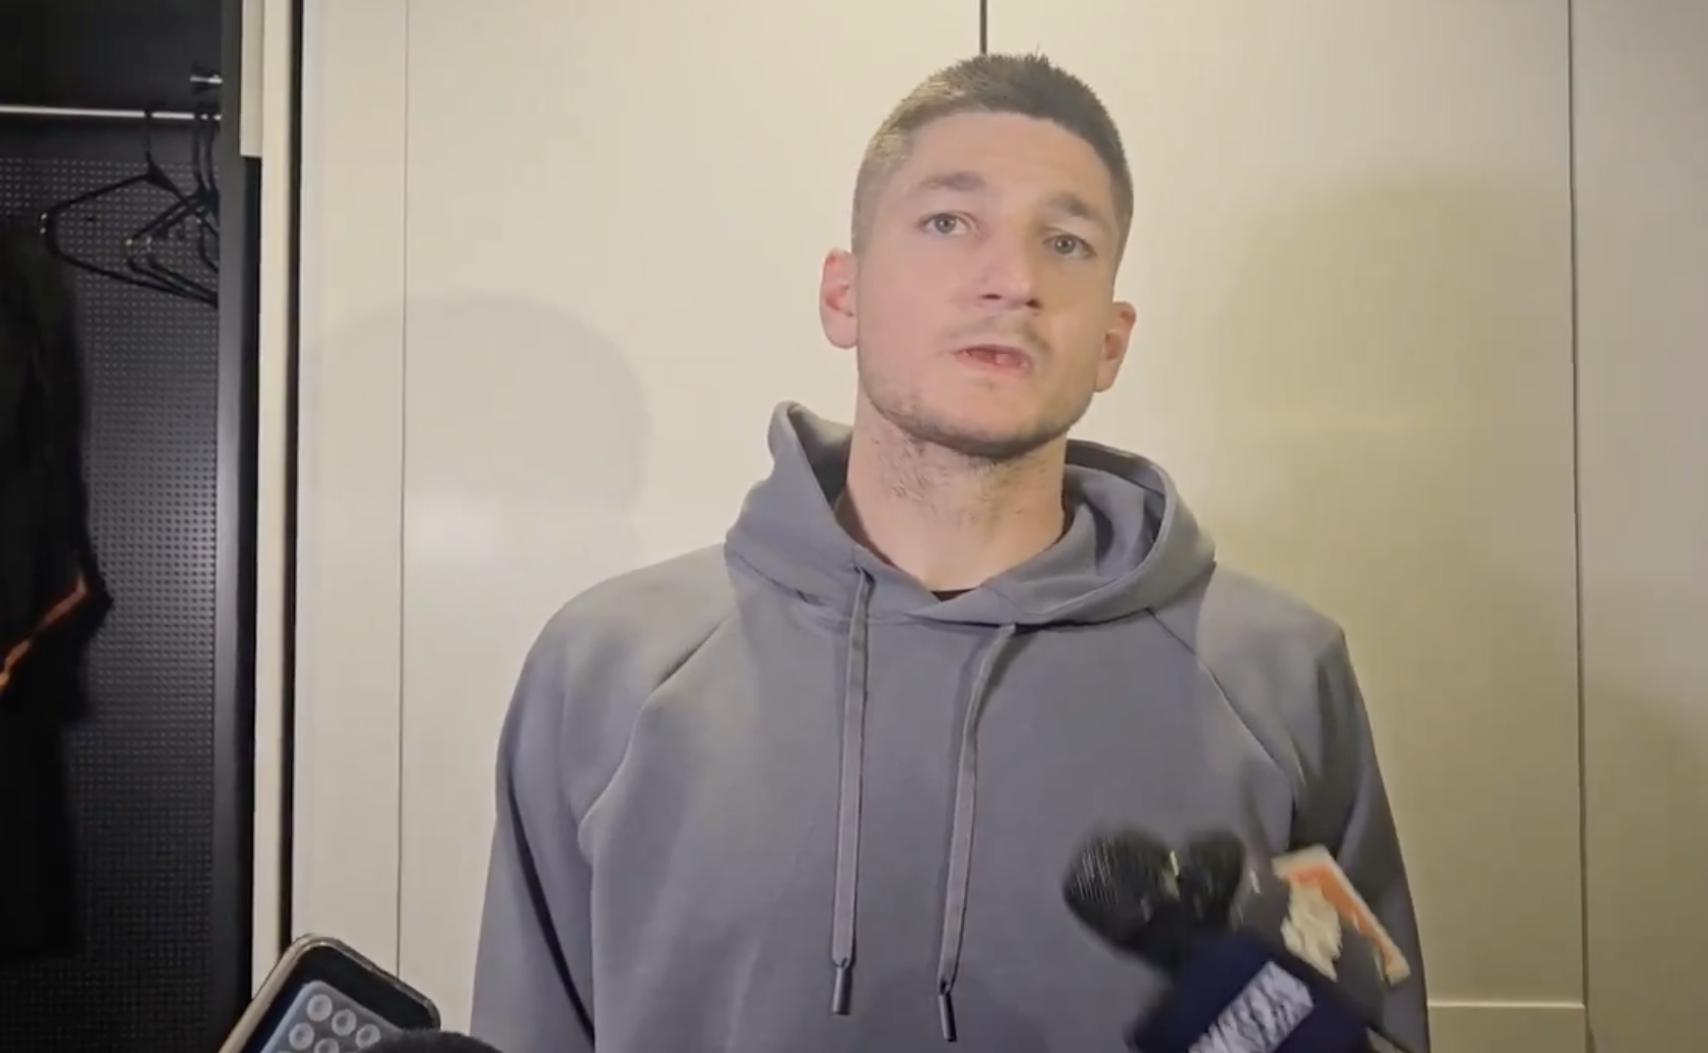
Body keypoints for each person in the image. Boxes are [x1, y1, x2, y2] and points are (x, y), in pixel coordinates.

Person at [469, 52, 1430, 1053]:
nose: (1013, 280)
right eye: (947, 222)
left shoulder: (1279, 674)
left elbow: (1382, 1034)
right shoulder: (609, 667)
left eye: (1065, 241)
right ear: (843, 295)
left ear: (1110, 341)